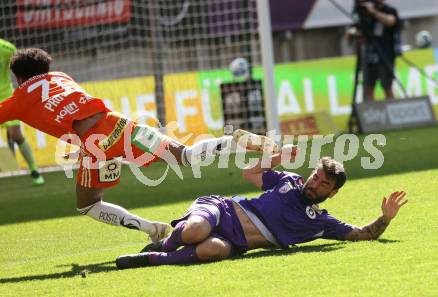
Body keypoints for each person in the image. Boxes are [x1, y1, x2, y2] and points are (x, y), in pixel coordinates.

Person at [0, 48, 259, 243]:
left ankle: (150, 228)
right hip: (120, 126)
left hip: (95, 147)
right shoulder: (60, 76)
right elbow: (74, 108)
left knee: (89, 205)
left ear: (17, 77)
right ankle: (232, 140)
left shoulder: (19, 99)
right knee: (186, 155)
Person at [116, 147, 408, 269]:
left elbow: (362, 234)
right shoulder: (290, 181)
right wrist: (276, 157)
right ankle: (166, 244)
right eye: (315, 176)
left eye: (322, 185)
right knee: (194, 231)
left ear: (332, 193)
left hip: (235, 242)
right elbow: (250, 174)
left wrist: (386, 218)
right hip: (222, 208)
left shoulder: (320, 223)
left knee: (209, 251)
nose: (314, 184)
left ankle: (151, 260)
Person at [0, 39, 44, 185]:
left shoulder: (6, 48)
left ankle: (34, 170)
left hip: (6, 95)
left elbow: (19, 68)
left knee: (16, 134)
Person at [356, 0, 401, 100]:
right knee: (368, 88)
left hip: (385, 56)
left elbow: (391, 21)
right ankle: (372, 113)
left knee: (387, 87)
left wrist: (373, 12)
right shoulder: (365, 12)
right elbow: (361, 30)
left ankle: (392, 110)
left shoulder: (389, 10)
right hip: (369, 58)